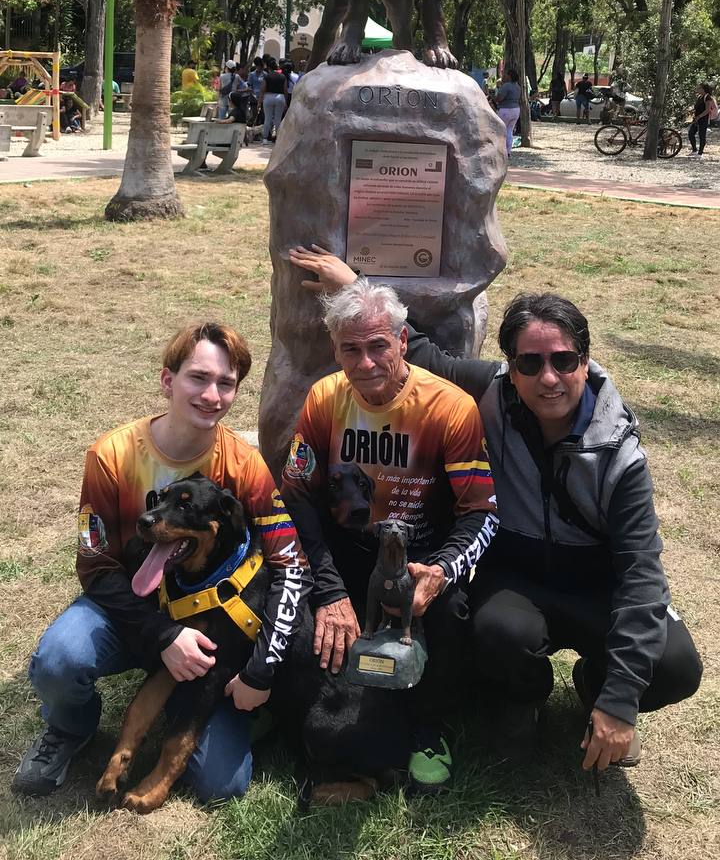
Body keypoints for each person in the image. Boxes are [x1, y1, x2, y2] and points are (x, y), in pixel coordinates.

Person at [287, 248, 703, 776]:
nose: (548, 377)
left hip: (595, 581)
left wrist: (621, 699)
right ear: (510, 366)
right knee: (496, 630)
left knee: (675, 665)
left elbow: (643, 575)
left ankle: (597, 690)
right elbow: (411, 349)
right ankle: (521, 696)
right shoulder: (490, 391)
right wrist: (354, 284)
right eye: (530, 363)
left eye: (563, 360)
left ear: (584, 360)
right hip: (517, 578)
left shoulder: (619, 455)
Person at [13, 323, 311, 803]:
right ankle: (69, 729)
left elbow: (291, 563)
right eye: (199, 378)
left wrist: (261, 669)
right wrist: (164, 635)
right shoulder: (111, 456)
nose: (212, 395)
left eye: (226, 383)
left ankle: (196, 708)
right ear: (168, 380)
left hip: (207, 629)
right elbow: (95, 568)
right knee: (61, 658)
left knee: (222, 784)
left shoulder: (244, 466)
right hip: (131, 610)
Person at [281, 278, 498, 791]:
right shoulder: (324, 398)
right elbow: (296, 496)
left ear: (402, 341)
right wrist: (329, 589)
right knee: (288, 602)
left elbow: (481, 511)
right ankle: (291, 705)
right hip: (348, 547)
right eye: (350, 350)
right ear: (334, 349)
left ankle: (428, 726)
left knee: (447, 613)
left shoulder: (449, 407)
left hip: (420, 553)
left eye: (378, 346)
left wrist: (441, 570)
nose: (365, 363)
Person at [259, 57, 288, 145]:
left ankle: (265, 139)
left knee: (267, 119)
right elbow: (285, 90)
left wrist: (260, 100)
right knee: (278, 119)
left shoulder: (266, 76)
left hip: (268, 97)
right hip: (280, 97)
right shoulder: (283, 76)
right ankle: (278, 139)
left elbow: (263, 89)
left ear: (268, 68)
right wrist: (286, 101)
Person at [495, 67, 522, 153]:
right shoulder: (518, 87)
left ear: (509, 76)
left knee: (501, 129)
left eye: (506, 74)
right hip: (516, 110)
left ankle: (501, 150)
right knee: (510, 130)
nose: (504, 76)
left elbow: (499, 98)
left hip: (505, 110)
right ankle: (508, 151)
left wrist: (494, 97)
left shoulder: (506, 86)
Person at [688, 82, 717, 158]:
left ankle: (700, 153)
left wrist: (699, 116)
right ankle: (694, 150)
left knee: (702, 136)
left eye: (700, 88)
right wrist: (690, 111)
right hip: (696, 119)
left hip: (703, 119)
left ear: (704, 89)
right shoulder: (700, 97)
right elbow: (697, 107)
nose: (698, 89)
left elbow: (707, 110)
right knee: (691, 133)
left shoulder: (708, 97)